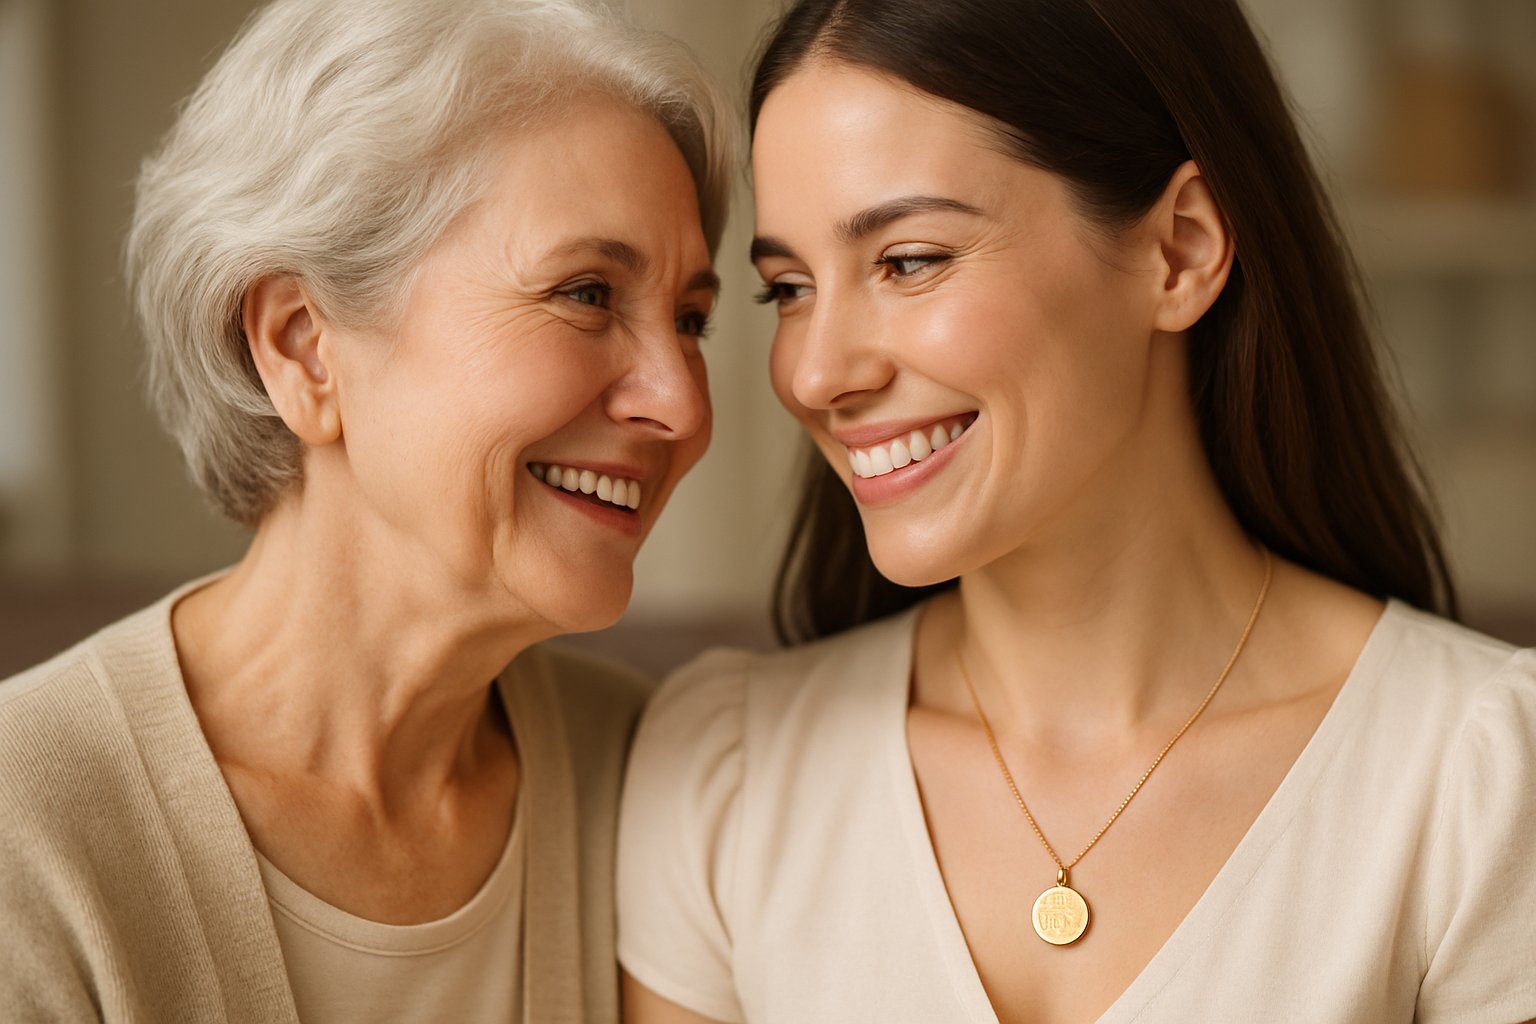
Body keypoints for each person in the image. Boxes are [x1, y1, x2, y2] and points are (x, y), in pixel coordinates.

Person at [615, 0, 1536, 1021]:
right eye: (787, 288)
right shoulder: (724, 779)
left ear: (1179, 250)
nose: (818, 372)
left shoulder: (1478, 781)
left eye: (909, 260)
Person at [0, 0, 733, 1020]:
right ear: (303, 345)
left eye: (691, 319)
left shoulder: (664, 779)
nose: (684, 405)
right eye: (585, 293)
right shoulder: (24, 827)